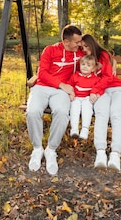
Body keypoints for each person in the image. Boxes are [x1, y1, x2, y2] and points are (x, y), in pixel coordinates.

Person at [26, 25, 85, 176]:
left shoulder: (80, 53)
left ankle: (51, 150)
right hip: (42, 87)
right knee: (32, 111)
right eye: (77, 42)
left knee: (61, 112)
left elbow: (104, 56)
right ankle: (37, 149)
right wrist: (61, 84)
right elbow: (42, 73)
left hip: (61, 92)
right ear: (66, 42)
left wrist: (114, 64)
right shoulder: (50, 50)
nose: (80, 44)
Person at [81, 34, 121, 172]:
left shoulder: (102, 54)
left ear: (92, 44)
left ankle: (115, 154)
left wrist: (94, 90)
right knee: (102, 115)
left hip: (117, 89)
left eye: (86, 46)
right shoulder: (85, 57)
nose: (84, 49)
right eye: (82, 47)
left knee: (116, 115)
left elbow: (108, 76)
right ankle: (101, 153)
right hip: (101, 93)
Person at [67, 54, 99, 140]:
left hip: (87, 98)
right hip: (76, 97)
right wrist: (71, 93)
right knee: (74, 109)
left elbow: (98, 88)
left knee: (87, 110)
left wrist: (94, 93)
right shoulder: (75, 76)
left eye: (88, 65)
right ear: (80, 65)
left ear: (93, 69)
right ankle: (74, 129)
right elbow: (69, 85)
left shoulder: (95, 79)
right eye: (83, 64)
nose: (85, 67)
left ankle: (85, 129)